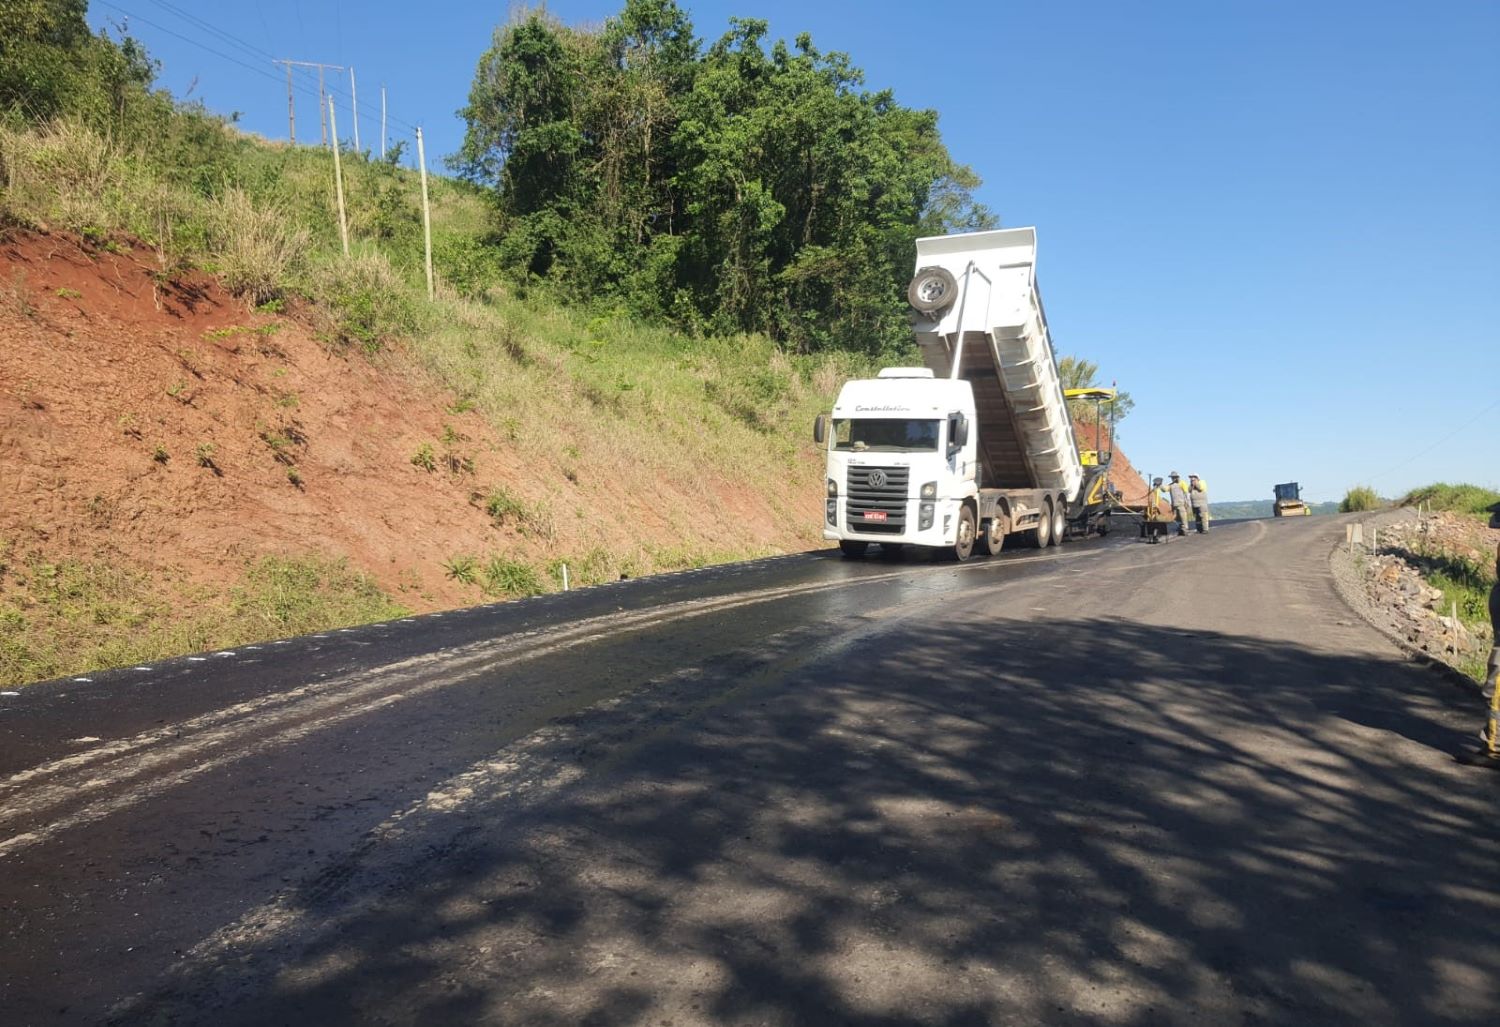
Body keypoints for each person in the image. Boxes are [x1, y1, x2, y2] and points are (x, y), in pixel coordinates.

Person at [1166, 471, 1191, 536]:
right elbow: (1165, 489)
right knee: (1176, 519)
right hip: (1174, 505)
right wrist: (1159, 485)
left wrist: (1188, 503)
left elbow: (1186, 493)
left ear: (1177, 477)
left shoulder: (1182, 483)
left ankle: (1185, 530)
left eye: (1174, 477)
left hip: (1181, 504)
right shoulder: (1170, 485)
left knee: (1183, 518)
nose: (1173, 478)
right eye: (1172, 477)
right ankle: (1180, 530)